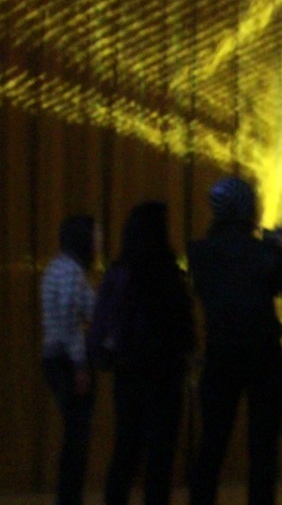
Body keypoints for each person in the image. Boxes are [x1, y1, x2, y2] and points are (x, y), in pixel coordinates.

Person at [187, 177, 282, 505]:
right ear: (246, 208)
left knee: (211, 447)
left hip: (219, 357)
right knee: (263, 450)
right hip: (264, 358)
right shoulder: (263, 252)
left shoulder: (199, 253)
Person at [89, 201, 195, 505]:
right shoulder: (169, 272)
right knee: (160, 454)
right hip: (166, 371)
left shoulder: (119, 271)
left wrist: (101, 355)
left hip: (128, 369)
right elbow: (183, 325)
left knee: (126, 447)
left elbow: (102, 319)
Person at [40, 214, 99, 505]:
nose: (99, 240)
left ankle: (68, 497)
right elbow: (72, 319)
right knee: (77, 438)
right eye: (95, 234)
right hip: (67, 361)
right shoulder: (72, 271)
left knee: (74, 435)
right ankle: (69, 499)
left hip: (55, 359)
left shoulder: (55, 268)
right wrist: (80, 365)